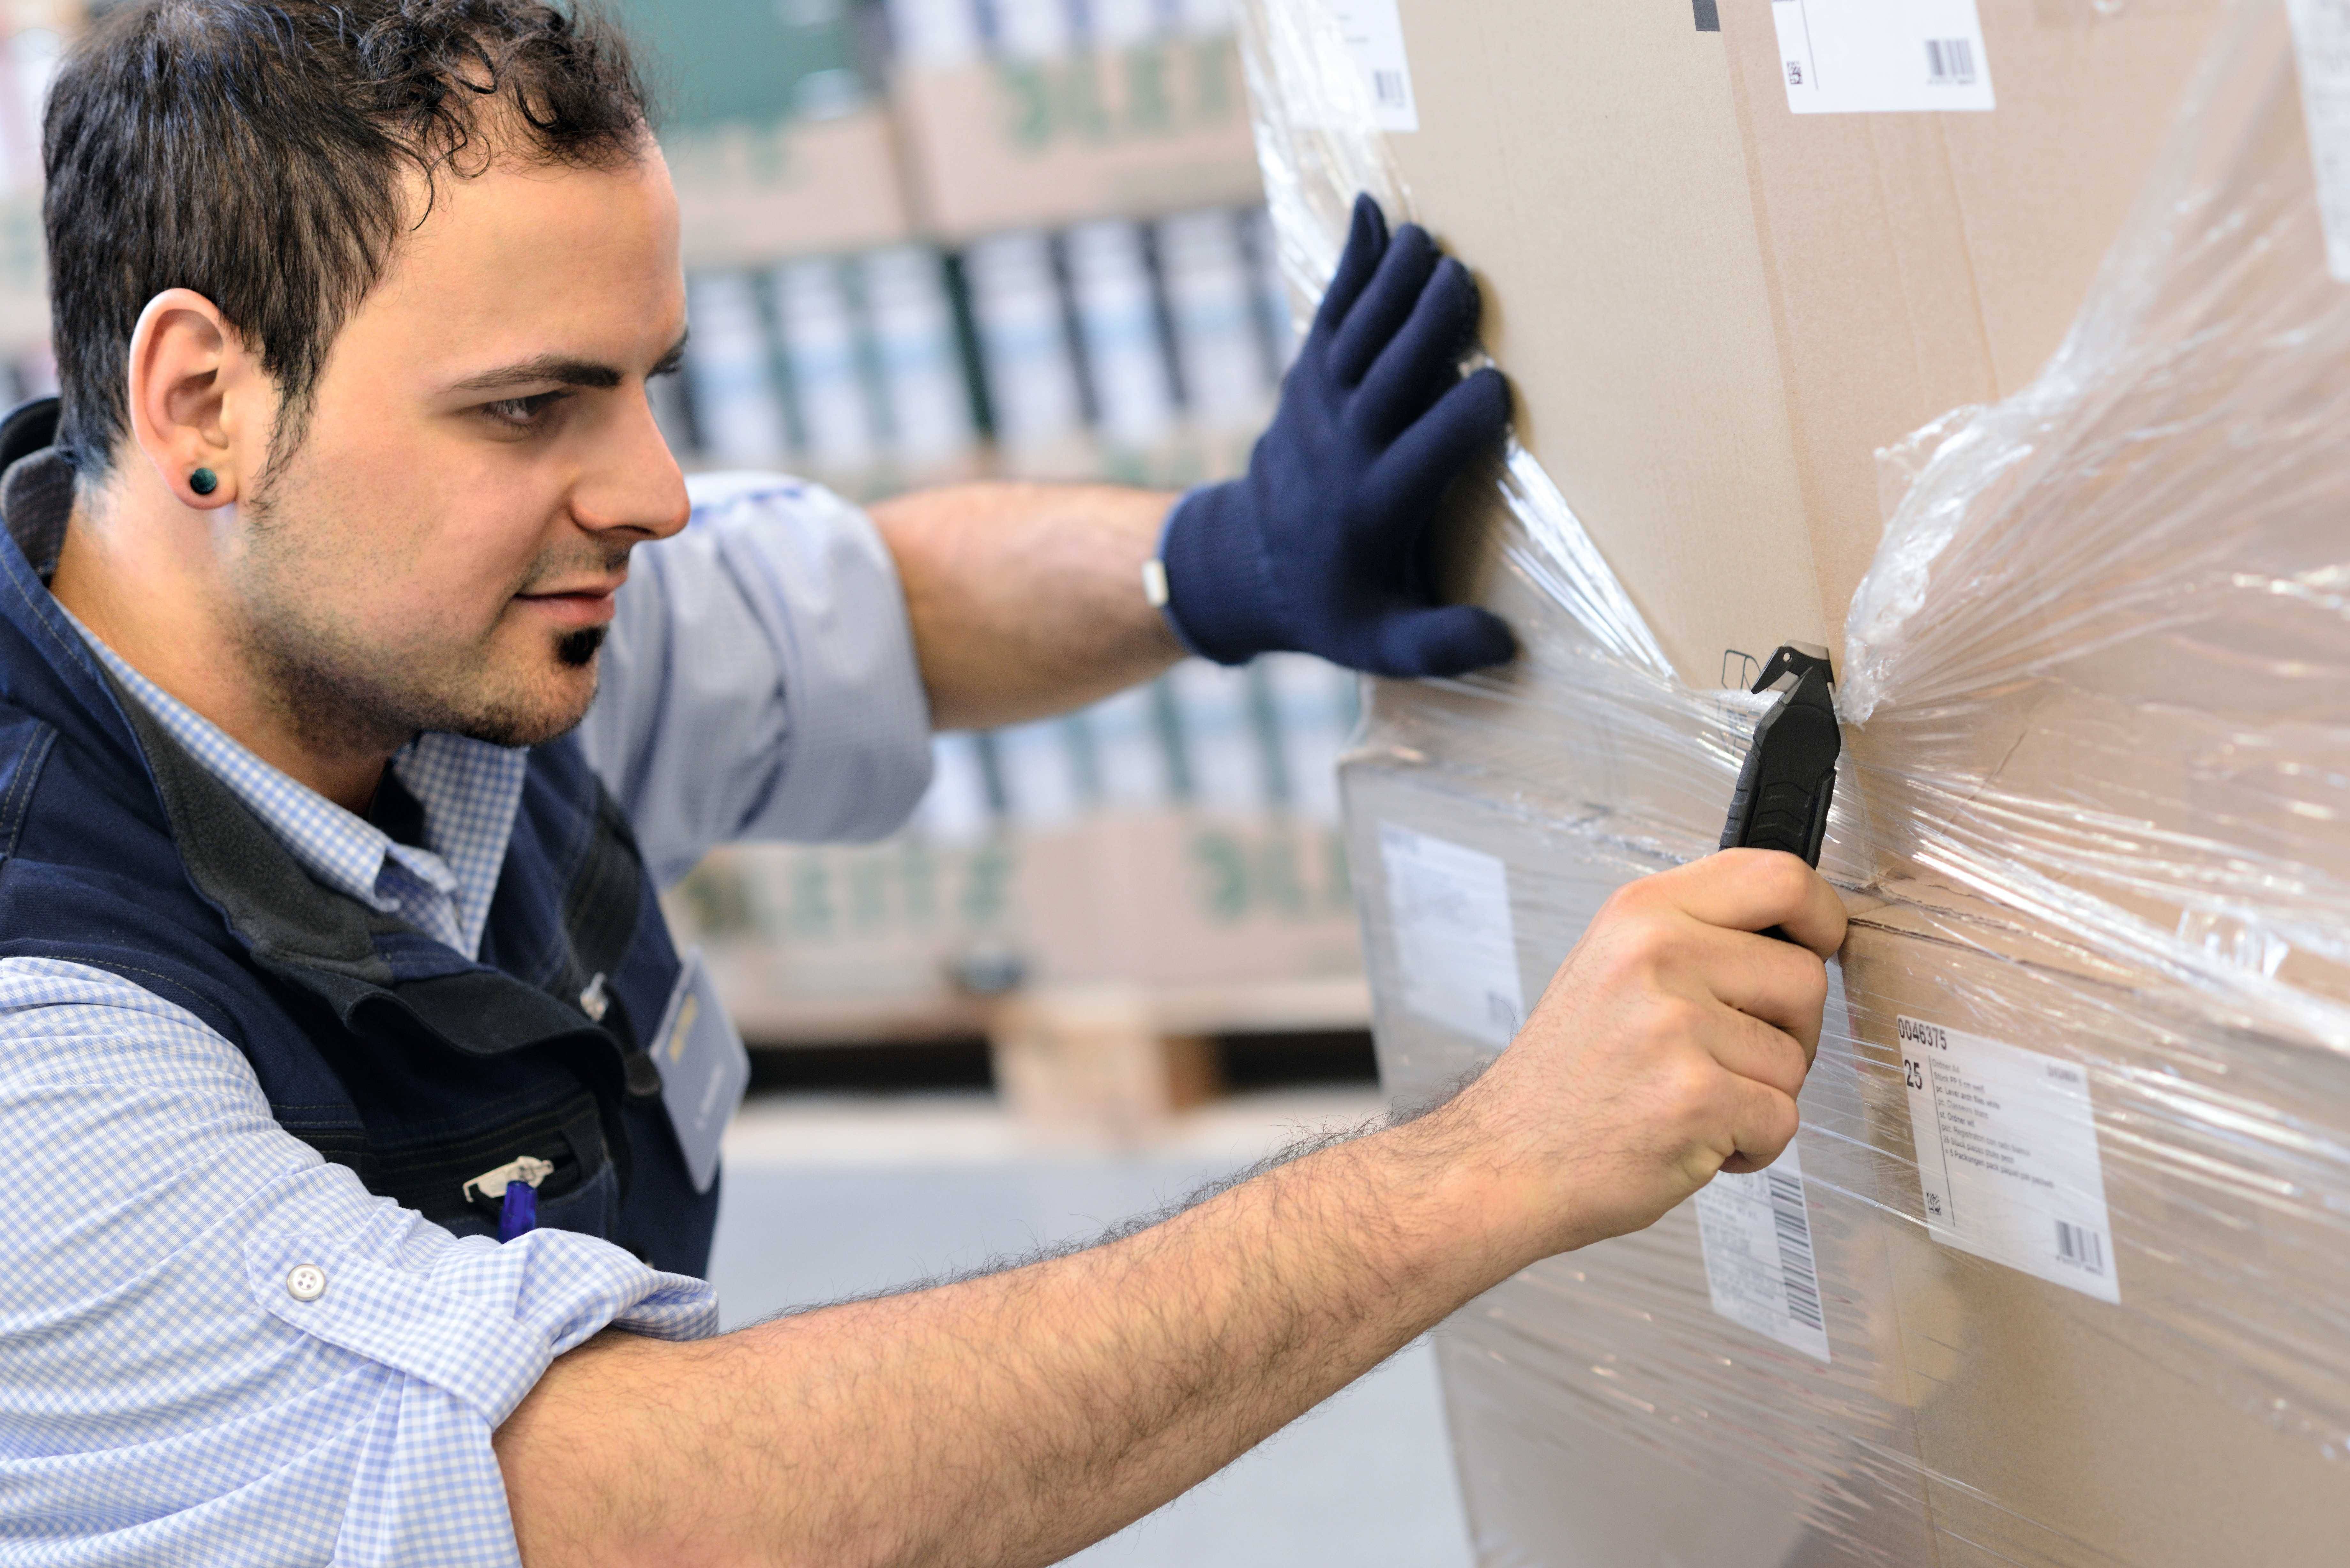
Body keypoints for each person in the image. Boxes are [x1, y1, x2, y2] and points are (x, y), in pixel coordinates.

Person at [0, 1, 1846, 1564]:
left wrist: (1218, 562)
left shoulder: (420, 635)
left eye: (649, 381)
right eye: (532, 407)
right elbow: (605, 1509)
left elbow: (868, 607)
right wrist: (1490, 1165)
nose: (650, 488)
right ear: (200, 404)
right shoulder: (44, 1037)